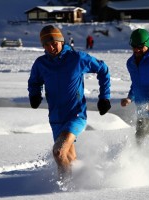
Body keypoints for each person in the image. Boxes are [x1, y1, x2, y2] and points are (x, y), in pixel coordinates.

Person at [28, 25, 111, 181]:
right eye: (46, 44)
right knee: (69, 158)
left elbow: (103, 69)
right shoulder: (41, 64)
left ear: (61, 41)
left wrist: (104, 97)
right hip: (55, 119)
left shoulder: (77, 58)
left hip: (76, 115)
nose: (51, 47)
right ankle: (92, 176)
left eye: (54, 43)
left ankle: (66, 191)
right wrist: (34, 95)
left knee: (58, 152)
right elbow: (34, 82)